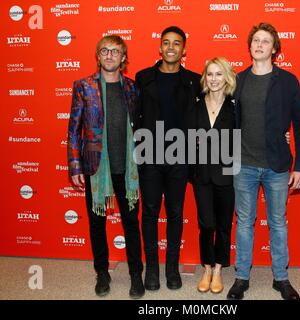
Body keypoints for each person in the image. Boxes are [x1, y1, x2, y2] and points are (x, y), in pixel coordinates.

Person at [227, 22, 300, 300]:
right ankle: (241, 278)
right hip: (244, 165)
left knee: (277, 222)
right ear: (250, 46)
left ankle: (281, 278)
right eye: (256, 41)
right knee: (244, 222)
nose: (260, 45)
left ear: (274, 49)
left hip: (277, 166)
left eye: (265, 41)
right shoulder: (237, 80)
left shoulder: (288, 81)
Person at [67, 35, 144, 299]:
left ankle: (136, 274)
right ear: (98, 55)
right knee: (97, 223)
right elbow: (74, 129)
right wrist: (75, 165)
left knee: (132, 223)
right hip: (97, 168)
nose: (110, 55)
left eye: (115, 51)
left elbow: (141, 128)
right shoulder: (84, 86)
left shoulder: (133, 88)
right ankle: (102, 272)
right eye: (104, 51)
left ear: (124, 58)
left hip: (128, 168)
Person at [135, 26, 201, 291]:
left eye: (177, 43)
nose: (171, 47)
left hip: (180, 158)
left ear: (184, 49)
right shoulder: (142, 78)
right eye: (166, 43)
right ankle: (152, 269)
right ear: (159, 47)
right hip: (149, 156)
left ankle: (171, 268)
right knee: (149, 213)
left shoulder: (195, 80)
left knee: (175, 213)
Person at [190, 57, 236, 294]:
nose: (214, 79)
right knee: (206, 224)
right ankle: (206, 267)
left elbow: (244, 138)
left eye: (219, 74)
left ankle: (218, 269)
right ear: (204, 77)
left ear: (226, 77)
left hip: (227, 175)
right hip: (202, 174)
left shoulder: (235, 106)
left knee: (223, 225)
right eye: (210, 74)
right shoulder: (196, 104)